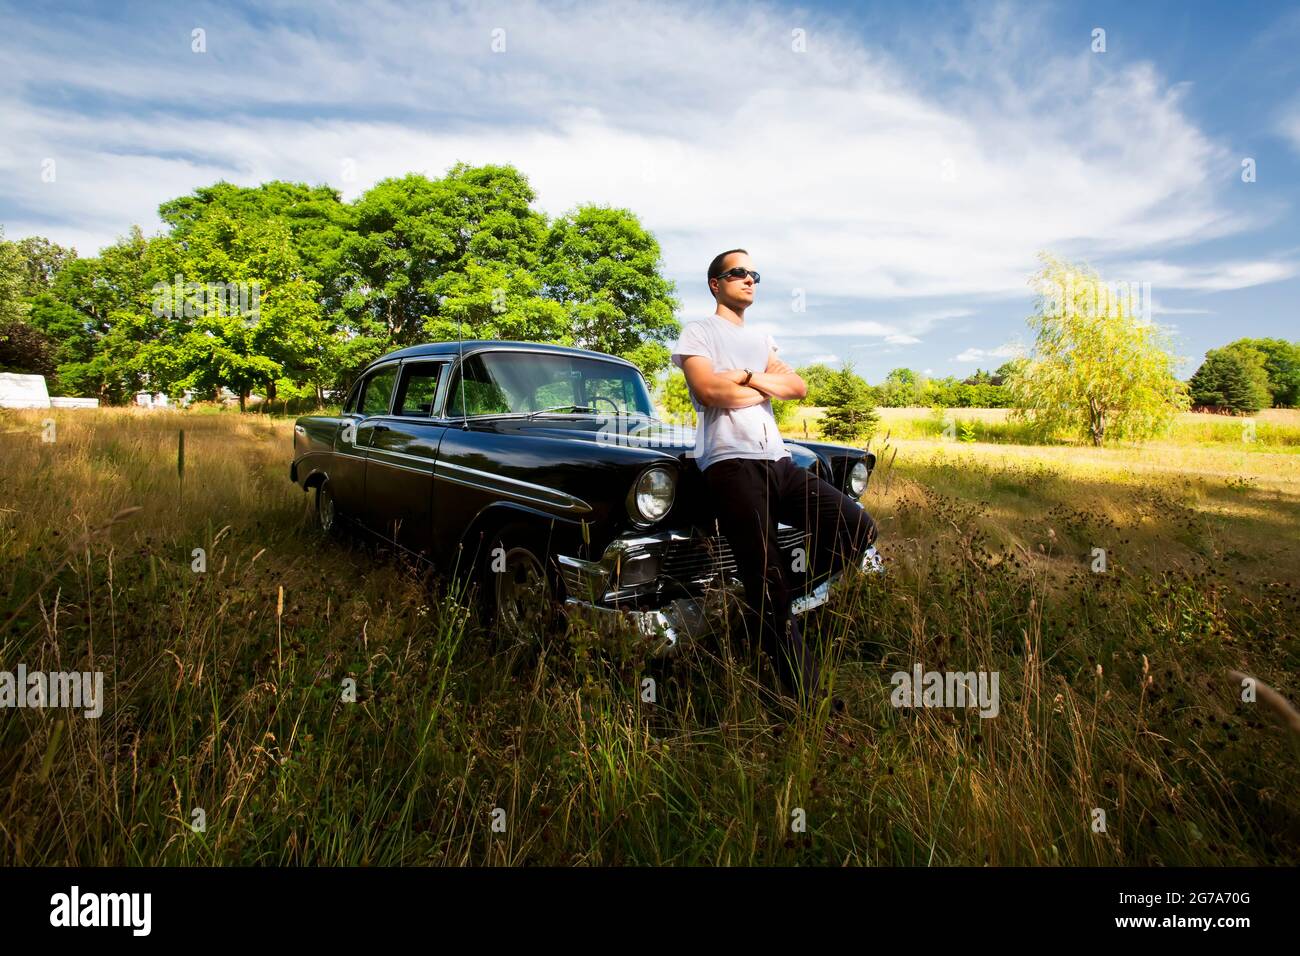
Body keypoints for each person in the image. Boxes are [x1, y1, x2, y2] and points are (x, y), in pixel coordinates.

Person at [670, 248, 878, 709]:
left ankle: (768, 605)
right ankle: (806, 700)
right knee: (768, 582)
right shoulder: (699, 332)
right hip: (729, 463)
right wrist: (762, 381)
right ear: (715, 284)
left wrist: (744, 377)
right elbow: (708, 390)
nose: (749, 279)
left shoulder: (763, 338)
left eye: (753, 274)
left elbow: (798, 388)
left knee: (856, 527)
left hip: (777, 461)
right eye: (737, 272)